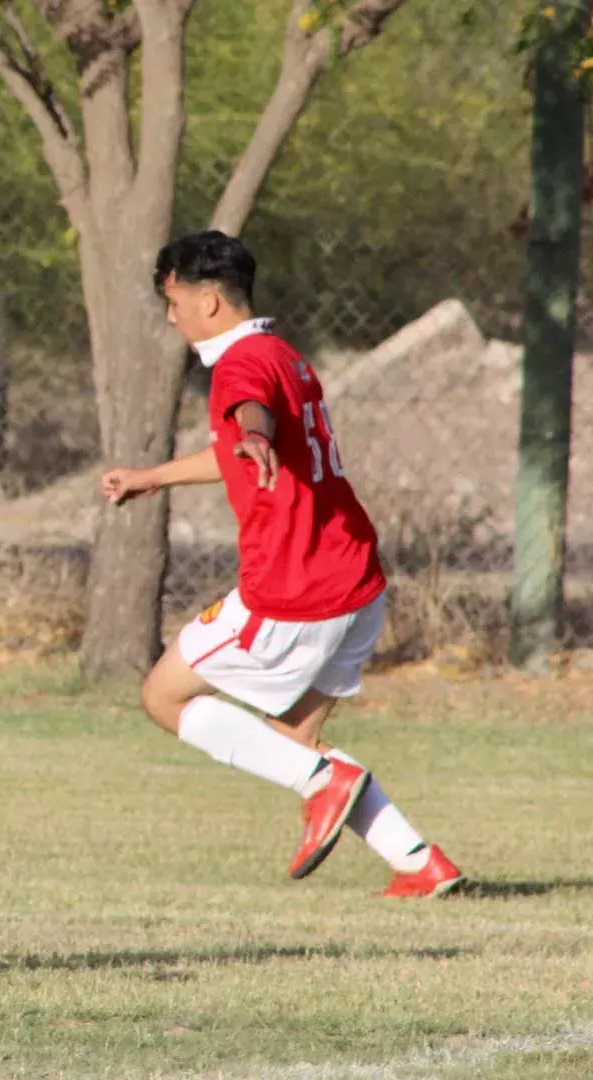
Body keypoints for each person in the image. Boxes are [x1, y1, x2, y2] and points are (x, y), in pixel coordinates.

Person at [100, 230, 463, 899]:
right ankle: (418, 862)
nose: (170, 316)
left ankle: (325, 785)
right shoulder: (283, 355)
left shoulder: (238, 364)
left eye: (173, 301)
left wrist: (255, 436)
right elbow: (241, 441)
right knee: (293, 742)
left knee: (163, 695)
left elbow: (249, 418)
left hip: (294, 585)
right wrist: (156, 475)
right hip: (355, 579)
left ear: (208, 300)